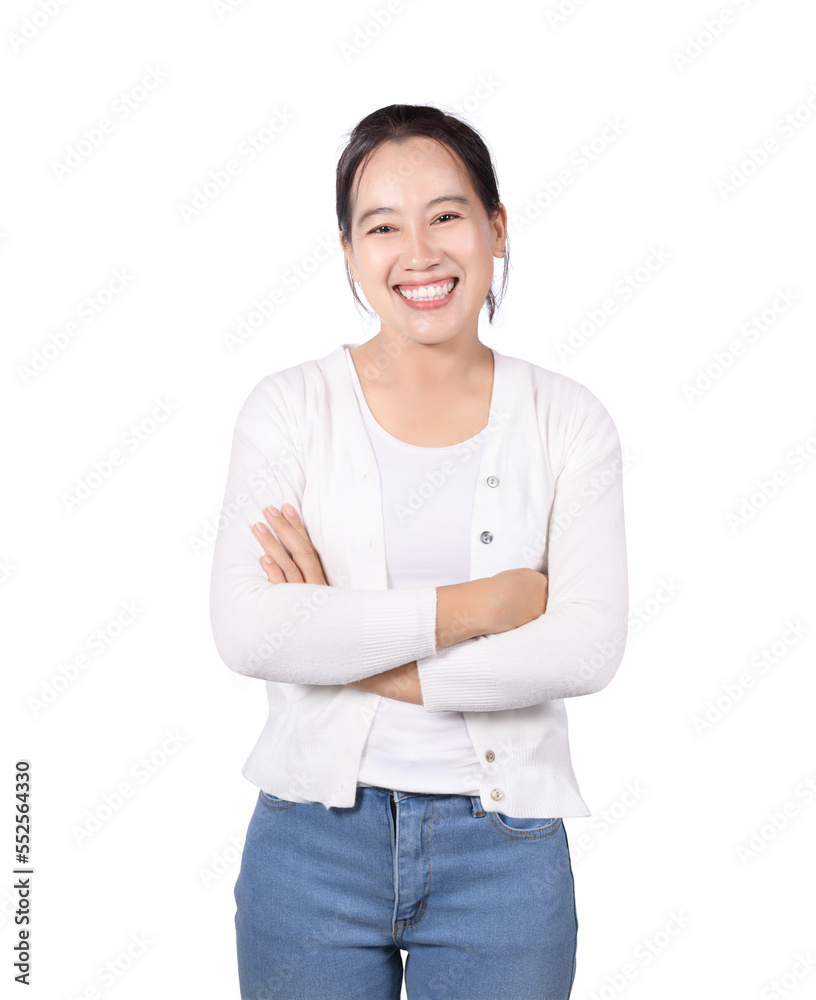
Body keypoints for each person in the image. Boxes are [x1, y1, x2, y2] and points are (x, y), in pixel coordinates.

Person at [209, 103, 628, 1000]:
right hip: (311, 843)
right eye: (381, 227)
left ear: (496, 227)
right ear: (351, 253)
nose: (420, 252)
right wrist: (480, 608)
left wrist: (347, 647)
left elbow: (586, 649)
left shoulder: (569, 420)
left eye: (446, 215)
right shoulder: (288, 410)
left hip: (505, 856)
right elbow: (250, 634)